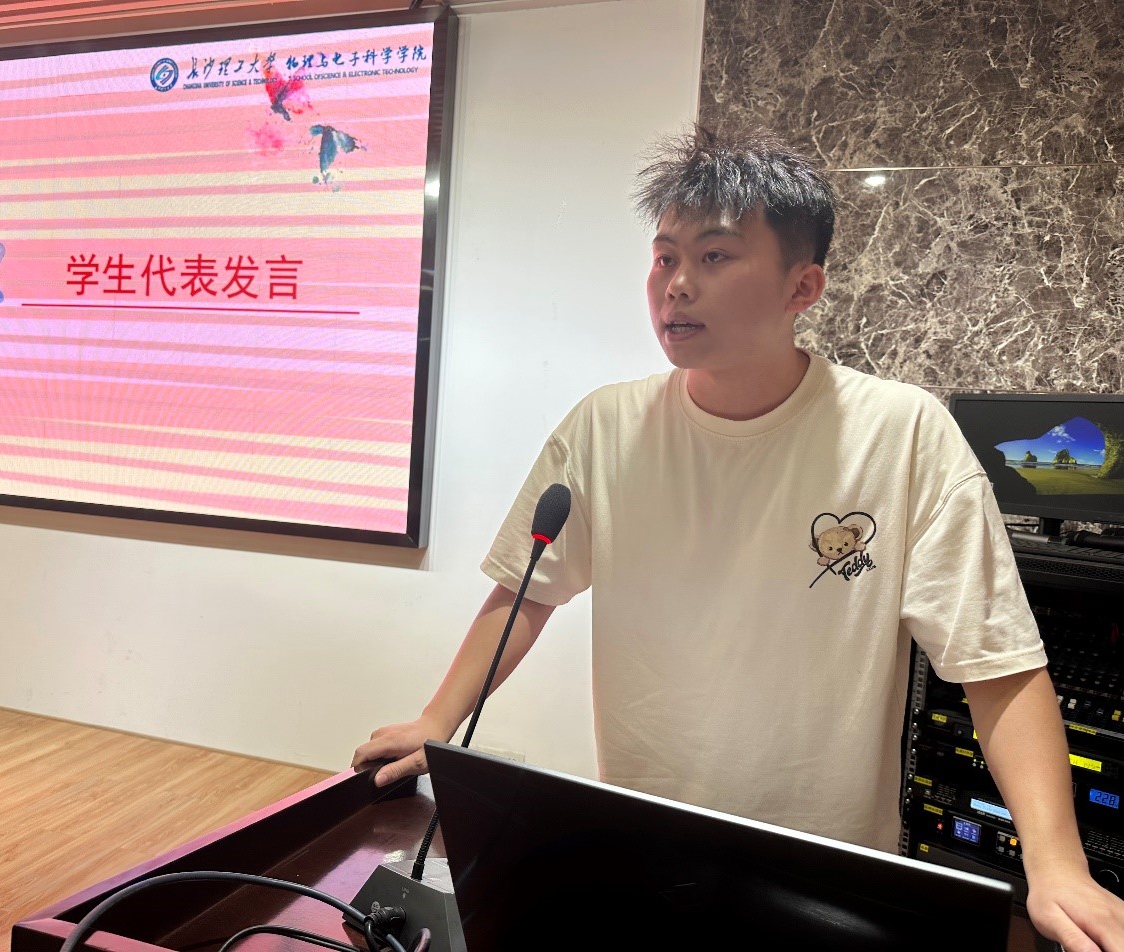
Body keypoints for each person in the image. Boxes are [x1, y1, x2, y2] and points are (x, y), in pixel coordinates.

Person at [351, 123, 1124, 950]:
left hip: (825, 870)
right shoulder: (604, 427)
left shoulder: (901, 433)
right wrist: (438, 718)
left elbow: (996, 662)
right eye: (663, 257)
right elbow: (524, 593)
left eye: (714, 256)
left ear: (802, 286)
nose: (676, 285)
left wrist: (1055, 863)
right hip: (643, 840)